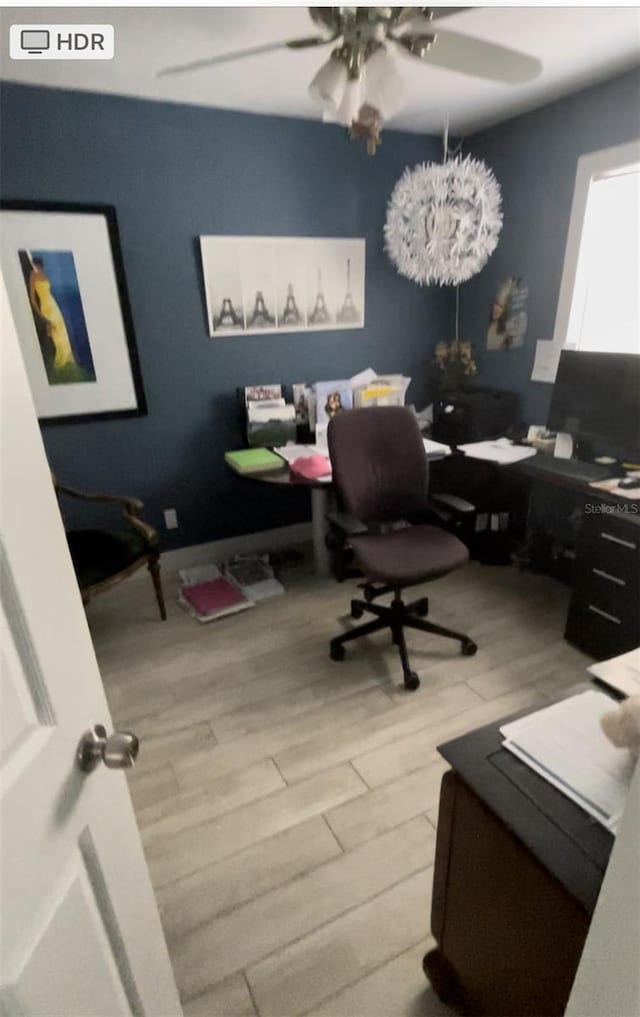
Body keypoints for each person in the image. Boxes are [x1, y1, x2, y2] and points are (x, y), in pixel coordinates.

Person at [28, 257, 76, 371]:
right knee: (55, 334)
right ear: (34, 265)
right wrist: (41, 315)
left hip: (54, 305)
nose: (37, 268)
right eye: (35, 266)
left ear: (41, 266)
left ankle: (67, 361)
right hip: (46, 307)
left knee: (62, 332)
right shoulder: (33, 276)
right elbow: (32, 299)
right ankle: (58, 364)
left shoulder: (44, 275)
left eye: (39, 266)